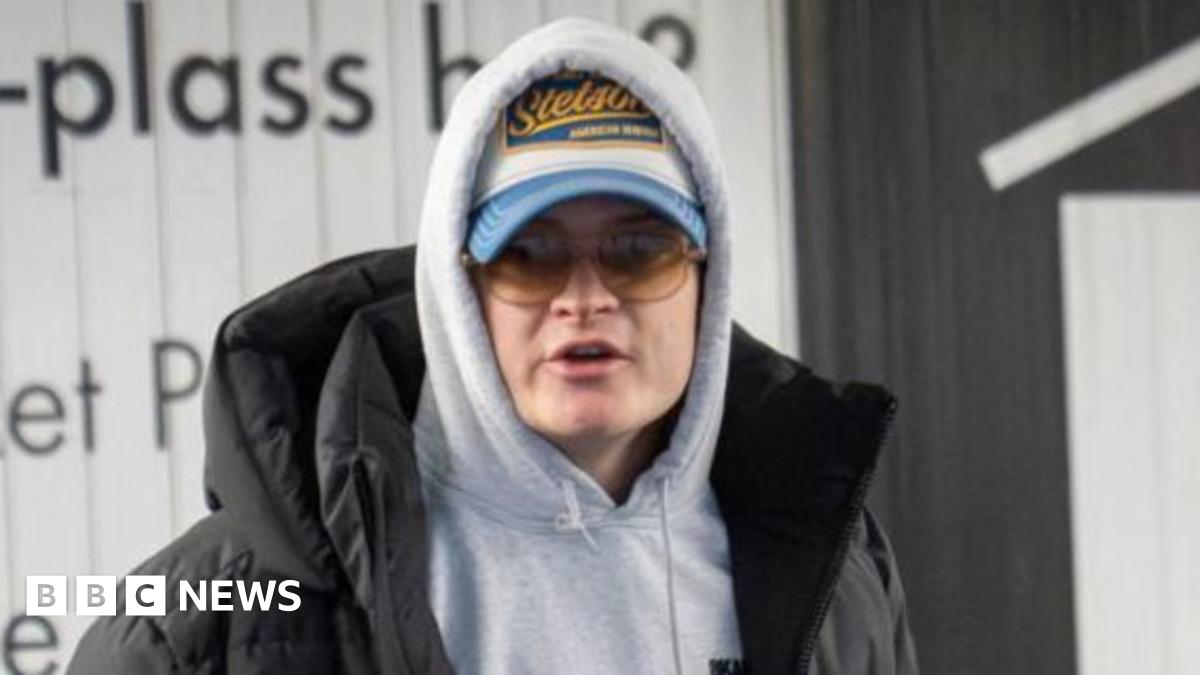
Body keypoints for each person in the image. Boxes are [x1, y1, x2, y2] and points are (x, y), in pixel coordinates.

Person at [68, 19, 917, 675]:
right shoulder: (198, 622)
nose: (585, 298)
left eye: (639, 250)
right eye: (530, 253)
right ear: (460, 282)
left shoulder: (838, 575)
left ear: (708, 274)